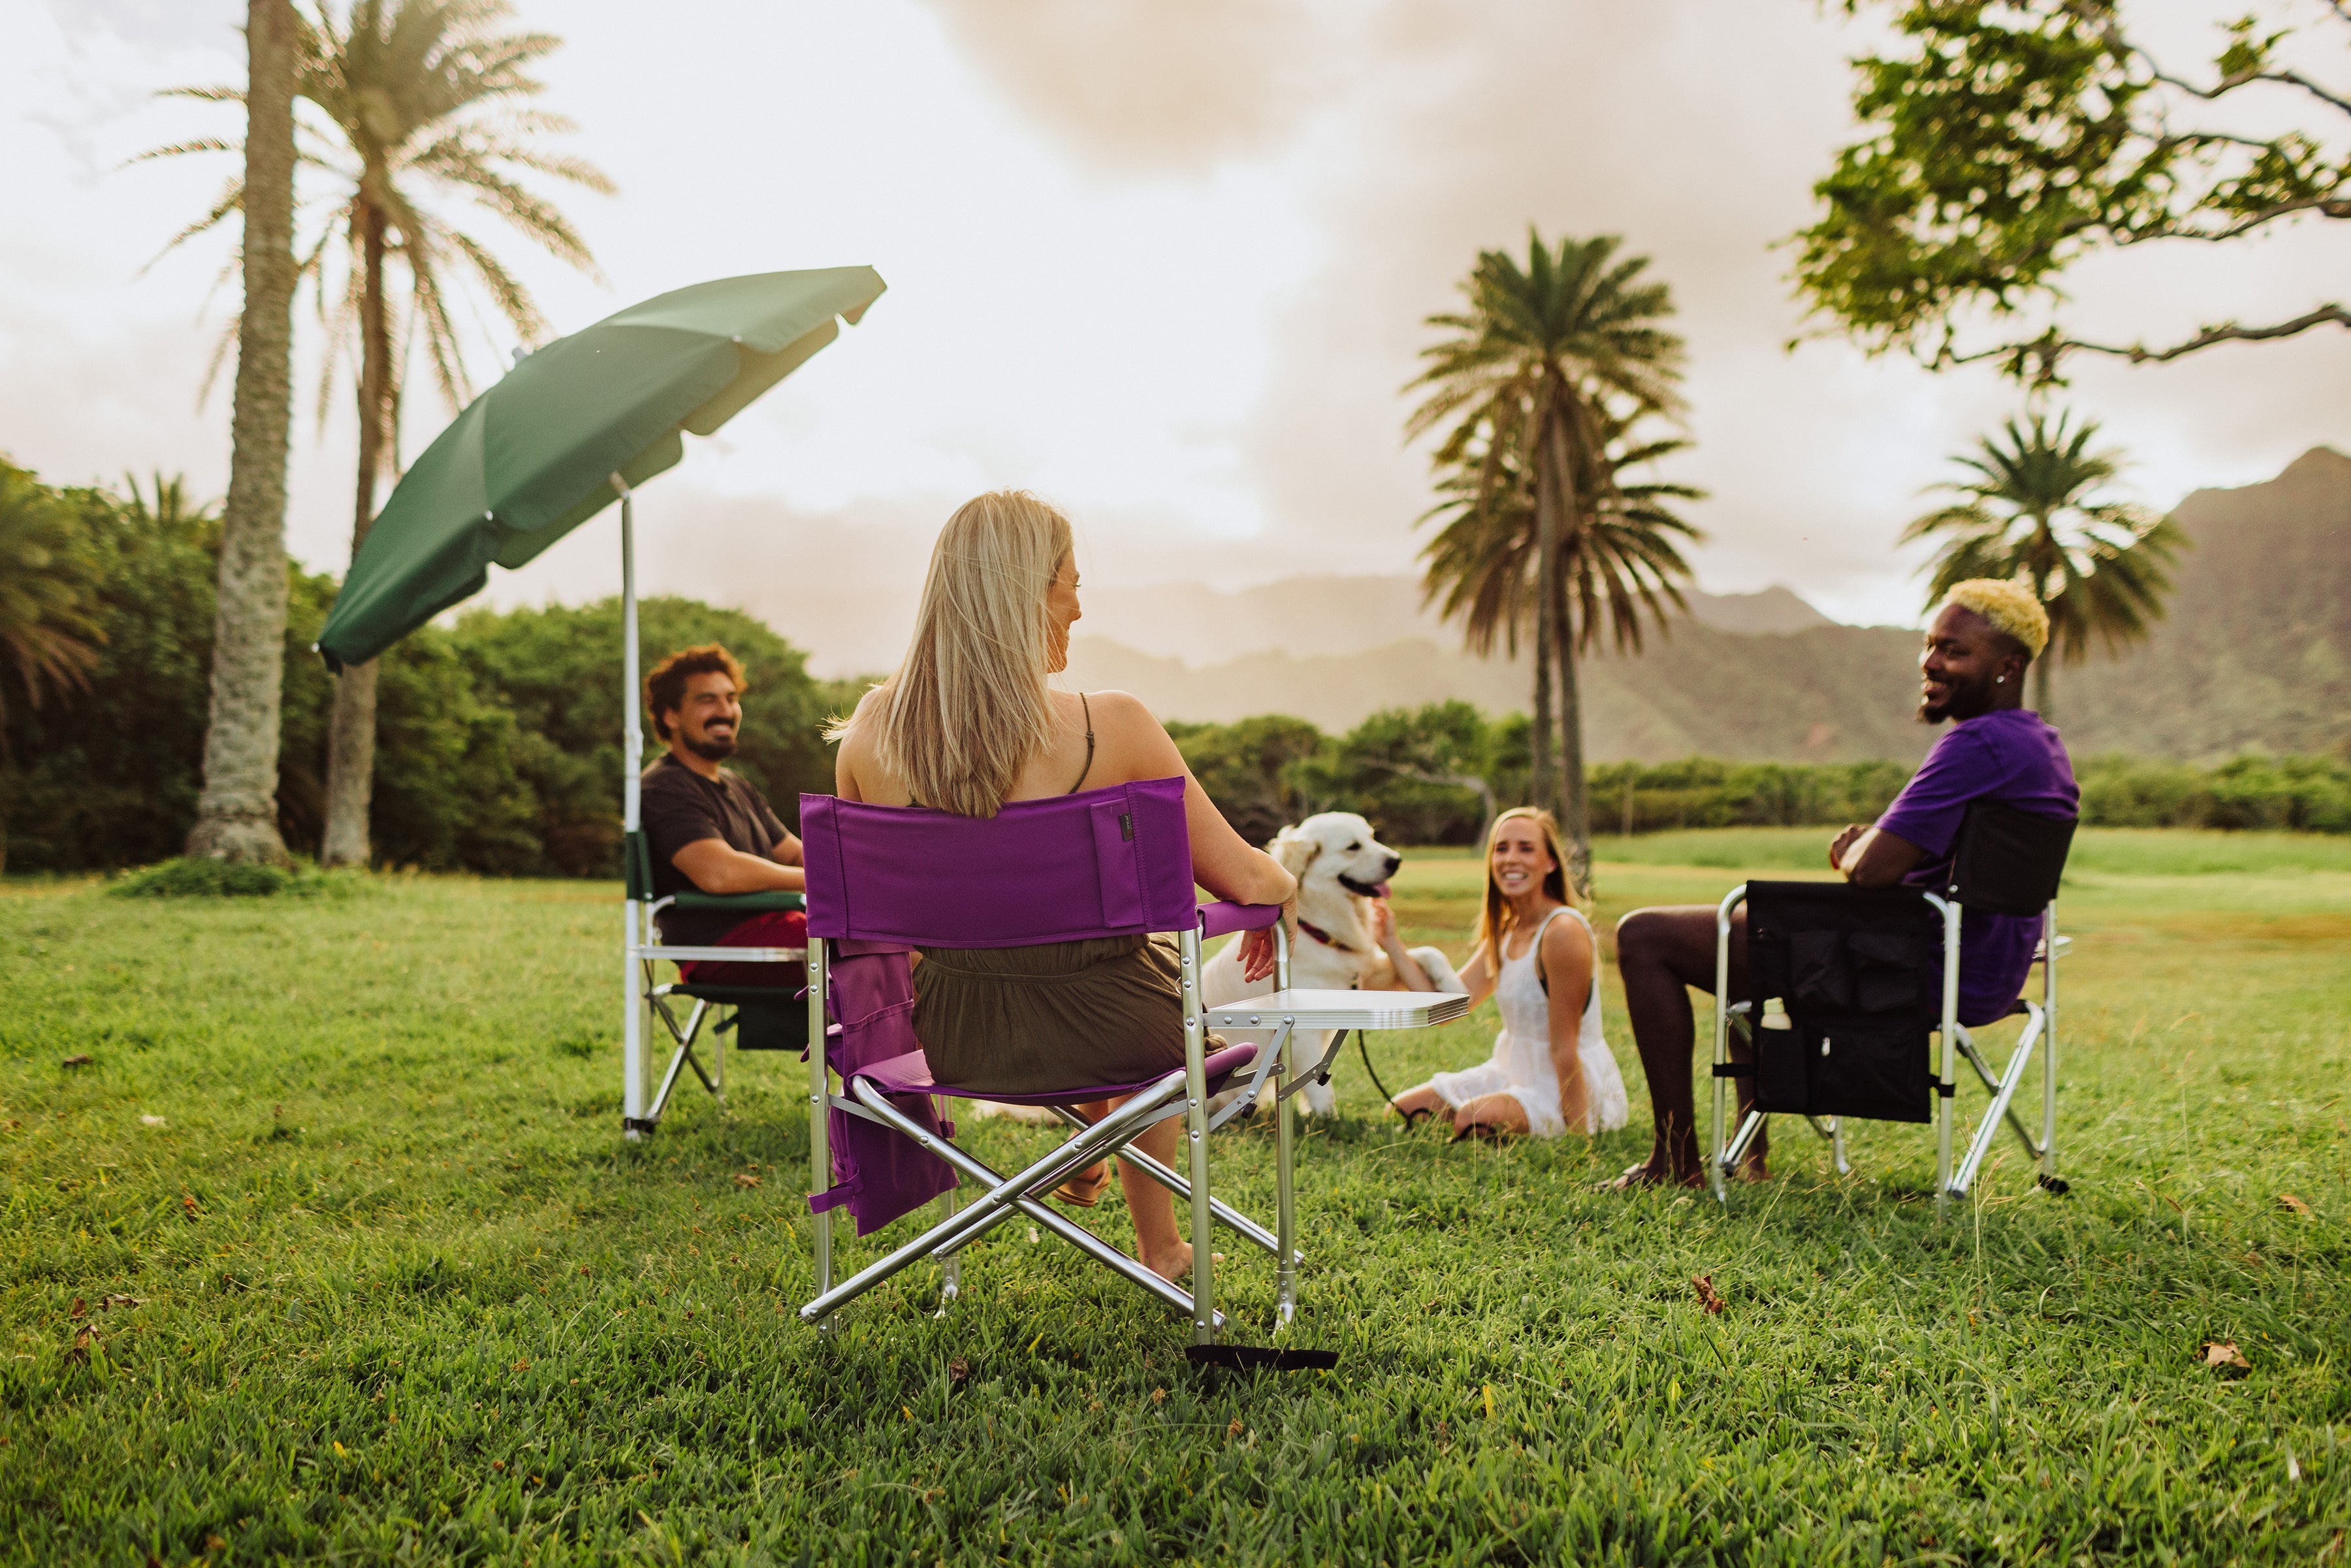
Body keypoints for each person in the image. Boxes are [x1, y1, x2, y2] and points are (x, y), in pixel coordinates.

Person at [829, 490, 1297, 1284]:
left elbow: (867, 932)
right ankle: (1147, 1222)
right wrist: (1279, 886)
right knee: (1126, 993)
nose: (1079, 606)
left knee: (1094, 985)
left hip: (946, 1041)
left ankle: (1097, 1154)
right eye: (1069, 583)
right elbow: (1246, 876)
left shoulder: (869, 737)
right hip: (1122, 1037)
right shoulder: (1113, 726)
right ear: (1024, 594)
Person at [1609, 579, 2079, 1189]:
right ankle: (1749, 1158)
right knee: (1746, 962)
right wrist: (1874, 843)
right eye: (1931, 644)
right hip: (1986, 971)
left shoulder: (1976, 742)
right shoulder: (2040, 744)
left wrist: (1858, 847)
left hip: (1918, 967)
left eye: (1955, 651)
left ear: (2007, 666)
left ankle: (1675, 1161)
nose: (1932, 662)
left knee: (1646, 935)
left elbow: (1872, 870)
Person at [1388, 808, 1631, 1140]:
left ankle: (1557, 1119)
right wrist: (1389, 941)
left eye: (1526, 848)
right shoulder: (1506, 929)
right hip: (1512, 1072)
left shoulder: (1562, 931)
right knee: (1402, 1108)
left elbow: (1564, 1045)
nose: (1511, 859)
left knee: (1471, 1119)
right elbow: (1446, 1009)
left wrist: (1580, 1137)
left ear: (1550, 863)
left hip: (1563, 1085)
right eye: (1501, 849)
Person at [638, 644, 807, 986]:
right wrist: (823, 883)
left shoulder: (736, 785)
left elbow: (792, 853)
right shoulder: (664, 787)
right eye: (707, 700)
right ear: (670, 715)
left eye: (731, 698)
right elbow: (718, 873)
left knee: (886, 930)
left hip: (781, 926)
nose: (725, 710)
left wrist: (856, 869)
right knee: (873, 943)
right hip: (722, 947)